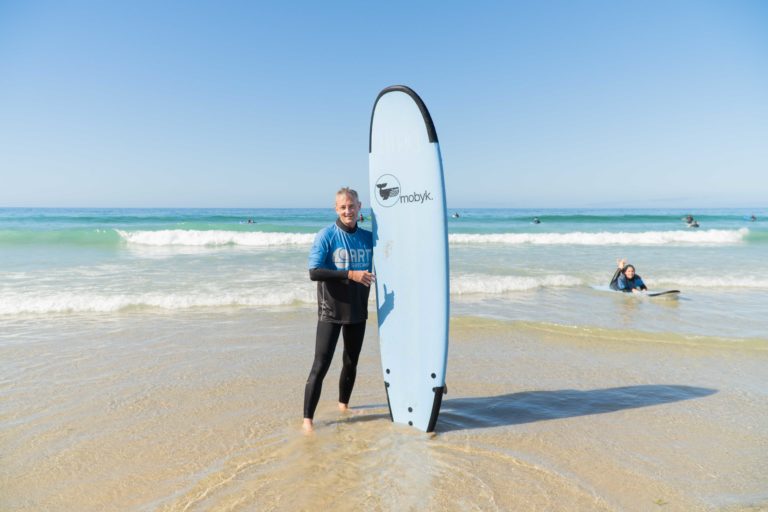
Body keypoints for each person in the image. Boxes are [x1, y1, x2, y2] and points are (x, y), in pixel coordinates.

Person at [303, 187, 374, 433]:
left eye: (351, 206)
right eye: (343, 207)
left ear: (359, 207)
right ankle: (307, 422)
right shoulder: (326, 236)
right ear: (336, 209)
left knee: (351, 362)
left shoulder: (368, 238)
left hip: (357, 307)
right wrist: (350, 274)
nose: (348, 211)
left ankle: (344, 406)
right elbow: (315, 272)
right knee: (320, 365)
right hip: (330, 309)